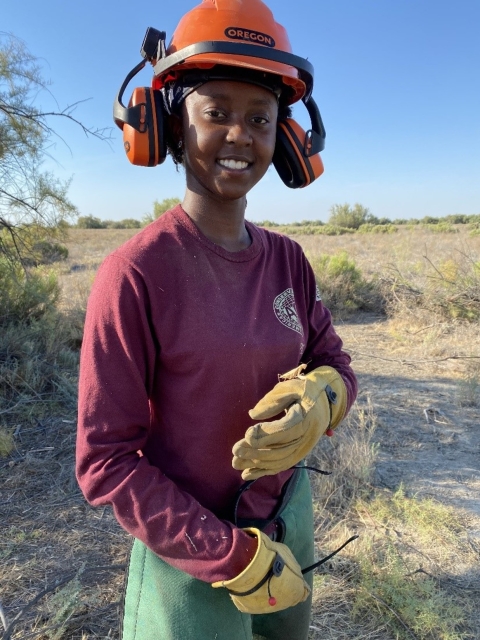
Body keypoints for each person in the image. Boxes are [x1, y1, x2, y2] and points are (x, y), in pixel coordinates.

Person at [76, 1, 358, 639]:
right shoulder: (135, 274)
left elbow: (334, 360)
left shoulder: (288, 259)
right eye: (217, 113)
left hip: (288, 520)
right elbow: (104, 461)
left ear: (285, 139)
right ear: (169, 126)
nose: (241, 135)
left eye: (260, 118)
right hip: (192, 552)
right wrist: (230, 555)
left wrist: (326, 396)